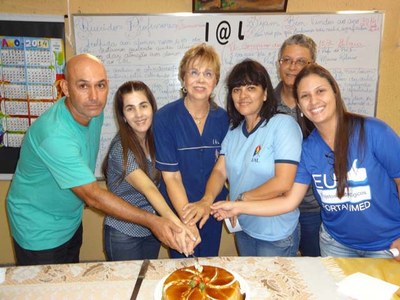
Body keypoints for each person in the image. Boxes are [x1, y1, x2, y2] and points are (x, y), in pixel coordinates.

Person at [6, 54, 195, 266]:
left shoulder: (94, 113)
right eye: (83, 86)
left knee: (70, 278)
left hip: (70, 218)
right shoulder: (54, 134)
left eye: (100, 85)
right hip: (38, 226)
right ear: (65, 88)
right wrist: (155, 222)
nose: (94, 96)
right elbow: (93, 196)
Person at [211, 63, 400, 261]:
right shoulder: (308, 148)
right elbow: (289, 201)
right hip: (336, 243)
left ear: (335, 93)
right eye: (305, 96)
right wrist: (238, 207)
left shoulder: (373, 131)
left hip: (386, 244)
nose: (314, 101)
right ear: (299, 106)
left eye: (320, 91)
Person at [187, 59, 303, 257]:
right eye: (237, 89)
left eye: (251, 88)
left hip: (275, 234)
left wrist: (241, 199)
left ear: (265, 93)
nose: (243, 95)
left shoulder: (283, 125)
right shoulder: (234, 132)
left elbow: (283, 182)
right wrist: (207, 200)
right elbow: (219, 170)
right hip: (243, 227)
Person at [103, 81, 199, 261]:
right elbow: (149, 189)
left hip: (152, 227)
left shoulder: (158, 138)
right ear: (123, 116)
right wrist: (179, 226)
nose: (139, 114)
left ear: (152, 108)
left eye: (143, 106)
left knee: (147, 281)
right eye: (130, 109)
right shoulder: (119, 149)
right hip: (124, 232)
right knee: (128, 286)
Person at [153, 43, 229, 258]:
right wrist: (187, 221)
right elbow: (172, 177)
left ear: (215, 81)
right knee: (183, 266)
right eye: (194, 73)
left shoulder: (225, 119)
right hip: (179, 210)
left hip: (211, 209)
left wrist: (207, 204)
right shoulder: (165, 118)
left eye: (208, 74)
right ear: (183, 78)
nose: (200, 80)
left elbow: (223, 169)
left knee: (209, 265)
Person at [275, 34, 321, 256]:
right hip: (274, 208)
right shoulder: (264, 104)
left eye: (301, 61)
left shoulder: (321, 105)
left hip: (314, 209)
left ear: (312, 65)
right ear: (279, 64)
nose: (293, 67)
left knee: (318, 271)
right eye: (287, 60)